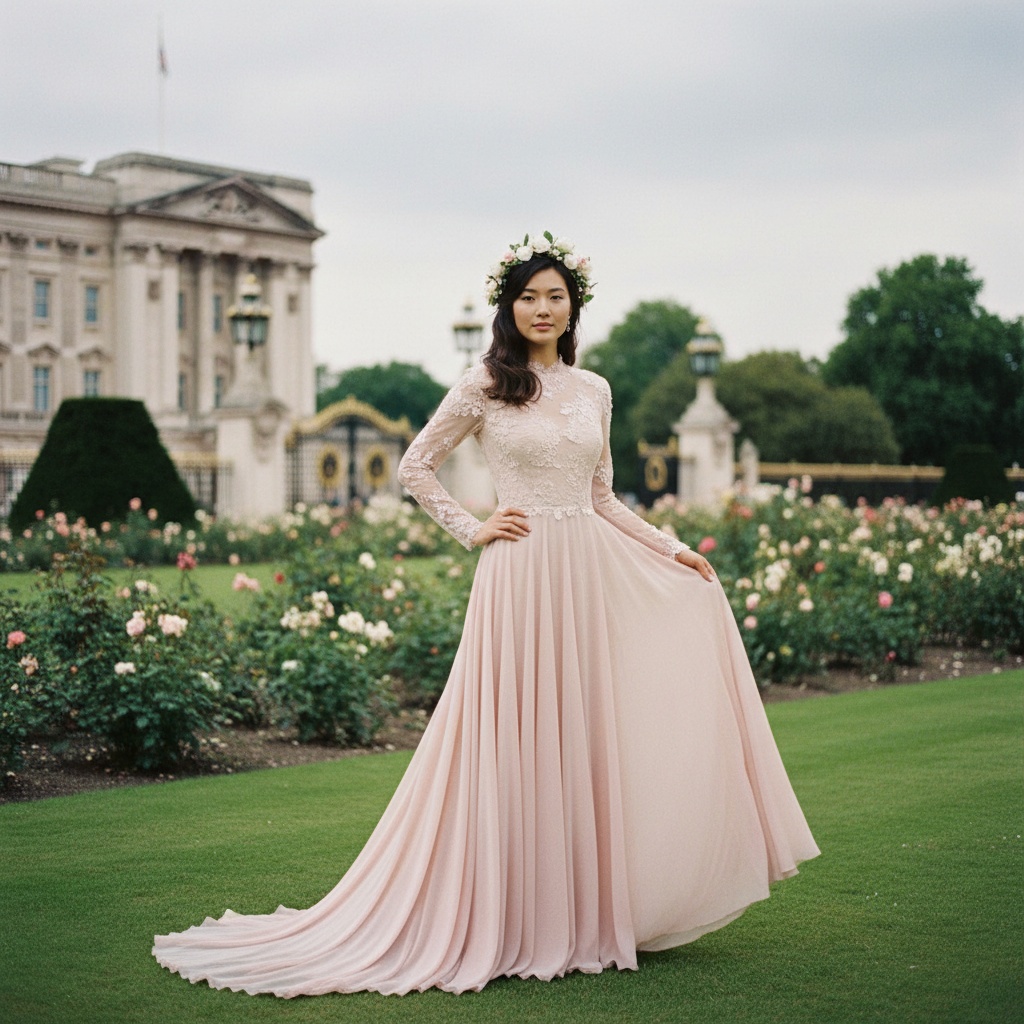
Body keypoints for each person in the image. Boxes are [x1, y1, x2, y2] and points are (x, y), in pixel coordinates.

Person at [153, 233, 819, 997]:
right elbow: (414, 466)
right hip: (518, 571)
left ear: (574, 308)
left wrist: (671, 549)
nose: (542, 308)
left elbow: (602, 496)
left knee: (579, 730)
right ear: (510, 307)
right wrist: (474, 528)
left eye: (555, 296)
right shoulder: (485, 384)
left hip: (582, 573)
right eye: (529, 296)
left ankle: (579, 914)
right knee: (512, 734)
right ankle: (506, 913)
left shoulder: (595, 389)